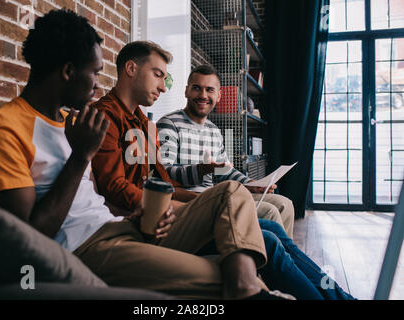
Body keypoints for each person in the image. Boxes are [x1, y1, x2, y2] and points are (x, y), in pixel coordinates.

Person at [0, 9, 287, 300]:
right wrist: (81, 157)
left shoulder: (72, 122)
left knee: (231, 194)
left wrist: (141, 215)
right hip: (84, 249)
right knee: (233, 273)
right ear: (68, 71)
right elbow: (24, 240)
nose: (97, 86)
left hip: (119, 227)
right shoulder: (6, 132)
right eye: (94, 73)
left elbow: (102, 195)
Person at [90, 41, 355, 300]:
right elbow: (116, 188)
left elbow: (169, 180)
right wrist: (193, 200)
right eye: (158, 75)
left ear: (218, 96)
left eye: (209, 90)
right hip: (151, 220)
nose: (162, 86)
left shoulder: (150, 124)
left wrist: (237, 188)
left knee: (271, 228)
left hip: (174, 208)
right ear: (131, 69)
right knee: (267, 235)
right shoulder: (111, 117)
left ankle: (339, 296)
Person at [157, 64, 294, 238]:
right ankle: (273, 261)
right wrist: (202, 170)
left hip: (216, 195)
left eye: (209, 90)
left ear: (219, 95)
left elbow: (224, 171)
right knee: (269, 211)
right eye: (196, 88)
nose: (203, 95)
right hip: (193, 201)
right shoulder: (169, 124)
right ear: (186, 91)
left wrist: (251, 183)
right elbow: (164, 173)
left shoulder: (214, 130)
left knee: (284, 204)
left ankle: (280, 260)